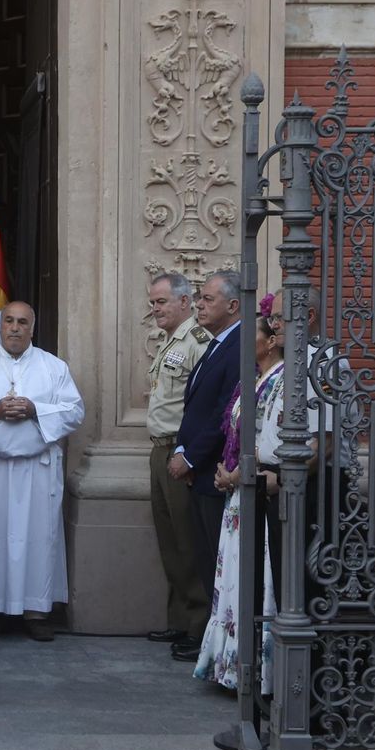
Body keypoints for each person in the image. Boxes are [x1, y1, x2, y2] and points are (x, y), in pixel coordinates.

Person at [0, 301, 84, 641]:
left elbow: (74, 411)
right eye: (9, 321)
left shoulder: (53, 367)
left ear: (32, 328)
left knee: (38, 537)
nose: (15, 328)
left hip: (36, 469)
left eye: (22, 322)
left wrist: (34, 409)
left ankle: (36, 610)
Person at [194, 313, 284, 690]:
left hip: (257, 488)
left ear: (270, 342)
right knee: (232, 578)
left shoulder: (281, 381)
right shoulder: (254, 380)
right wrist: (225, 470)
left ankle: (256, 671)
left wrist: (238, 474)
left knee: (254, 578)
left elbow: (275, 445)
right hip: (237, 490)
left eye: (253, 337)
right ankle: (230, 664)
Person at [168, 270, 242, 660]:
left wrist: (191, 455)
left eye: (208, 299)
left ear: (232, 305)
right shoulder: (216, 344)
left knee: (215, 557)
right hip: (198, 466)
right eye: (199, 297)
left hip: (216, 470)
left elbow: (224, 412)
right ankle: (206, 637)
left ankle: (213, 640)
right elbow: (194, 407)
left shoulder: (240, 345)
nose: (199, 304)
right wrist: (182, 446)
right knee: (200, 553)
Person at [144, 272, 210, 649]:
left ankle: (198, 627)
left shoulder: (197, 342)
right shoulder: (171, 342)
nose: (155, 309)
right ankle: (180, 619)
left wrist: (189, 453)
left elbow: (203, 405)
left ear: (185, 302)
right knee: (169, 540)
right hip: (159, 449)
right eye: (153, 303)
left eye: (161, 302)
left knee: (188, 540)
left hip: (179, 451)